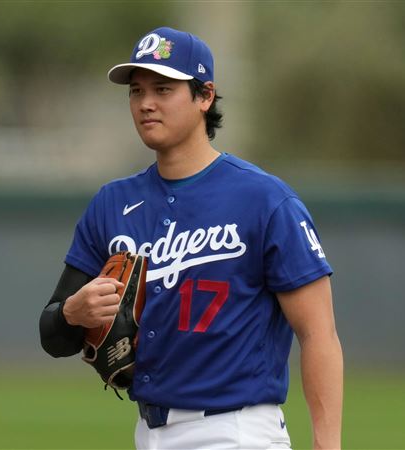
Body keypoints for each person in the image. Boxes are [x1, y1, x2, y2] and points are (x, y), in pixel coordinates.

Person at [39, 26, 343, 450]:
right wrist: (73, 313)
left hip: (235, 431)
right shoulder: (112, 204)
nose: (146, 103)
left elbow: (318, 334)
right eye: (136, 91)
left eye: (163, 89)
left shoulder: (264, 199)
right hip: (149, 432)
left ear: (205, 96)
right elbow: (52, 335)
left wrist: (327, 445)